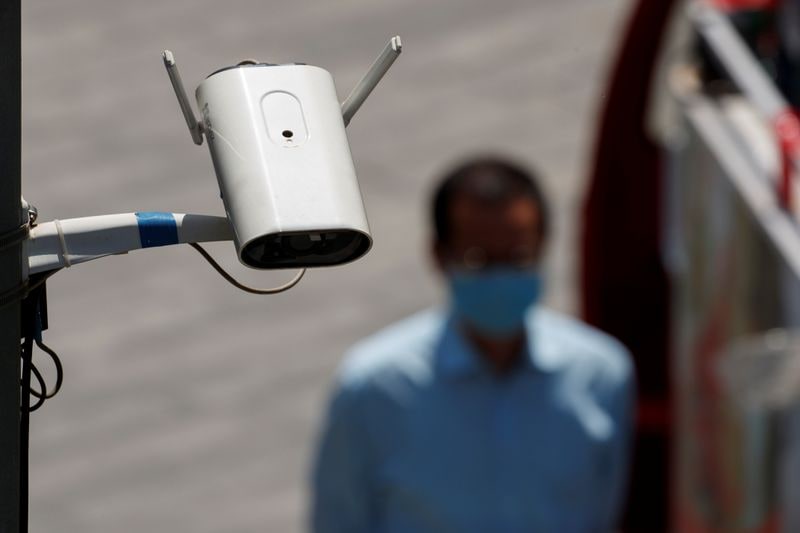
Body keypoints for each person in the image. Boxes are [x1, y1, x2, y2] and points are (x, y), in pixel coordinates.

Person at [310, 157, 635, 532]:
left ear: (543, 246)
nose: (500, 277)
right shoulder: (373, 387)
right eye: (479, 260)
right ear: (438, 255)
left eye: (517, 258)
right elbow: (338, 519)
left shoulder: (602, 374)